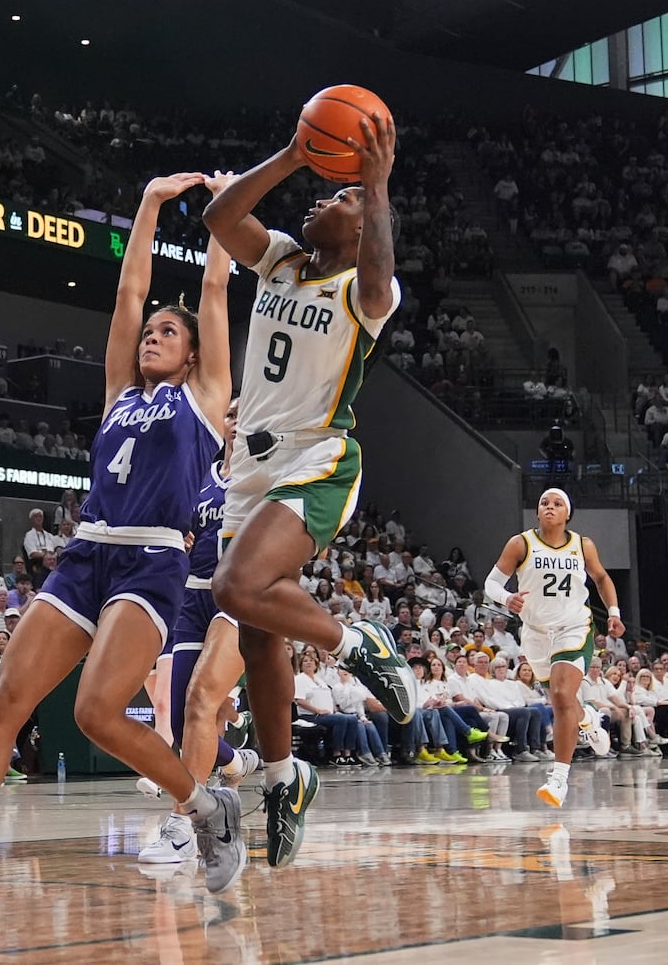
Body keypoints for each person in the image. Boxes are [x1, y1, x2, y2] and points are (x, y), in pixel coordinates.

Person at [0, 172, 235, 919]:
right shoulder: (118, 394)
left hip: (152, 558)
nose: (152, 336)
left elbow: (212, 290)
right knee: (9, 698)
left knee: (101, 712)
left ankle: (203, 807)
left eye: (169, 333)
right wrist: (146, 204)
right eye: (150, 333)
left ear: (194, 354)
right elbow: (128, 296)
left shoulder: (203, 399)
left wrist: (221, 216)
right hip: (87, 553)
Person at [201, 115, 418, 880]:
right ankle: (284, 777)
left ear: (364, 231)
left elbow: (383, 274)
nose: (322, 199)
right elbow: (219, 217)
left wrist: (379, 187)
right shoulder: (283, 261)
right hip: (249, 467)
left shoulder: (365, 290)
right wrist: (294, 152)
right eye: (326, 191)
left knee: (237, 585)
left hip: (318, 459)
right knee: (257, 628)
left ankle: (361, 644)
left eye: (342, 199)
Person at [140, 402, 263, 866]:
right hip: (192, 597)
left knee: (201, 701)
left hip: (238, 595)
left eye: (244, 412)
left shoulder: (263, 473)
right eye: (230, 412)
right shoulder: (202, 475)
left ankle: (182, 828)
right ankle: (233, 764)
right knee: (180, 722)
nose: (235, 418)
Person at [484, 488, 625, 808]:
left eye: (557, 503)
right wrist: (508, 598)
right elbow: (490, 583)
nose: (550, 507)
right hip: (534, 632)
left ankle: (559, 779)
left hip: (573, 628)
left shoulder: (582, 545)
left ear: (568, 514)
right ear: (537, 513)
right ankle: (587, 720)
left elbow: (601, 578)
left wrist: (614, 612)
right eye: (544, 503)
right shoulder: (520, 543)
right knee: (562, 699)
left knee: (561, 695)